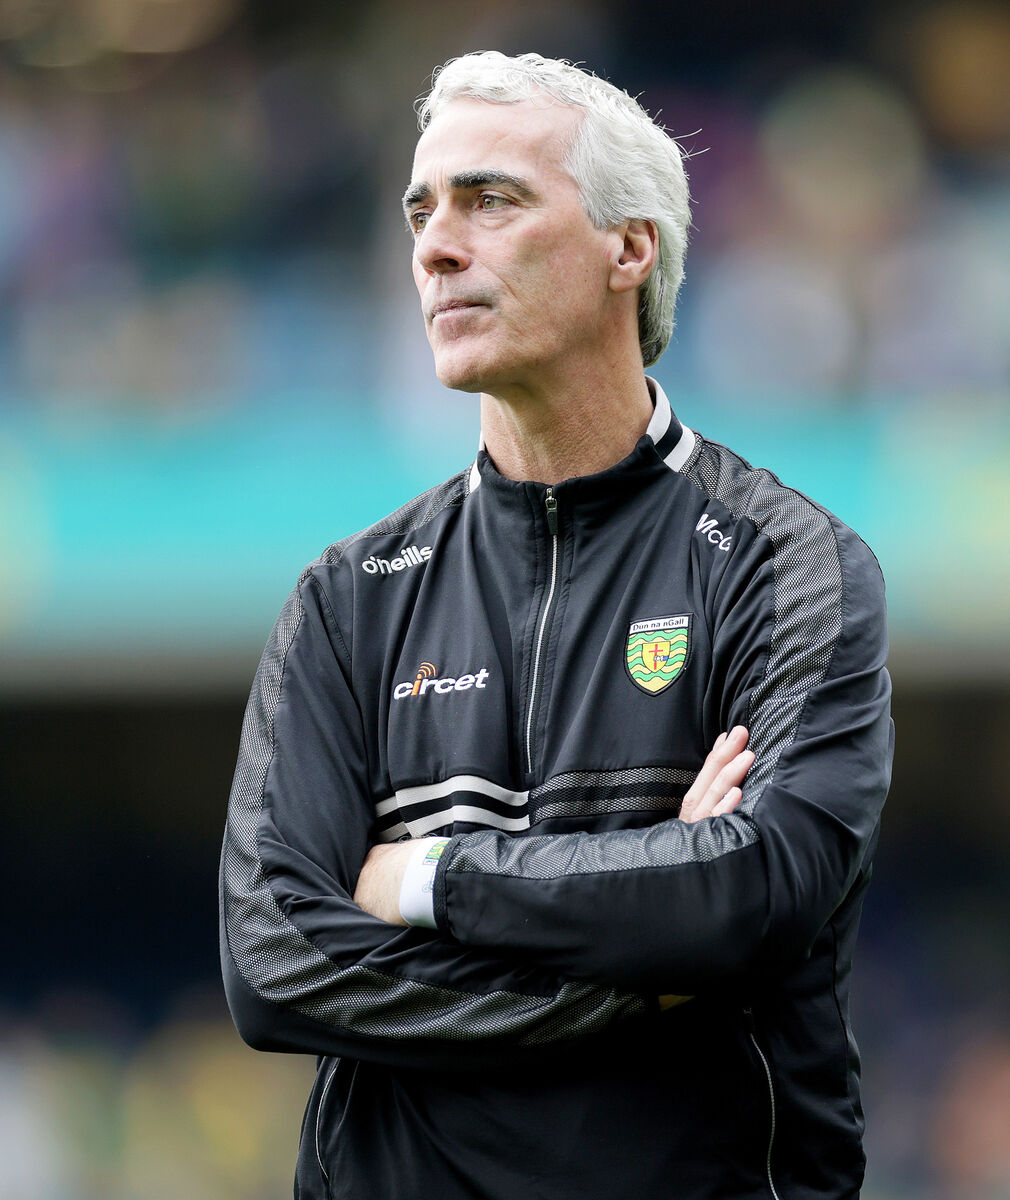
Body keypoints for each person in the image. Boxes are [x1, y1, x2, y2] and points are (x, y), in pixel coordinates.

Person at [219, 51, 893, 1200]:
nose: (435, 245)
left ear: (628, 249)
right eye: (421, 210)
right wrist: (642, 964)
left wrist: (431, 879)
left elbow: (760, 885)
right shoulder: (348, 598)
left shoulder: (784, 562)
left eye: (491, 200)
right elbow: (276, 967)